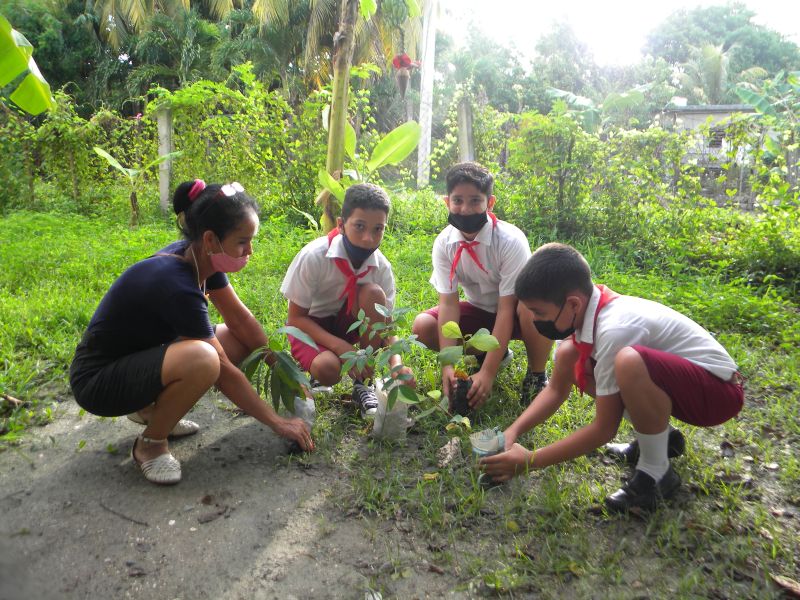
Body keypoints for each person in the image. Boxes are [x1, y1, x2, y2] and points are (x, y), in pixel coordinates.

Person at [69, 179, 313, 485]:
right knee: (205, 359)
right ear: (211, 239)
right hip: (98, 382)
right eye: (242, 241)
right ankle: (151, 444)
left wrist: (287, 372)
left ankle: (151, 411)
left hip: (132, 359)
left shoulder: (200, 258)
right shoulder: (176, 283)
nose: (250, 249)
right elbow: (222, 369)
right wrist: (278, 423)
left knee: (233, 339)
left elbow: (241, 321)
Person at [480, 243, 744, 512]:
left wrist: (530, 460)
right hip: (687, 385)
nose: (535, 321)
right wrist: (512, 432)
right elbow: (556, 390)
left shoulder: (615, 329)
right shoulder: (583, 316)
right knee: (572, 358)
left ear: (573, 304)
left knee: (628, 363)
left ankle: (656, 473)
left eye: (539, 313)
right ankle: (661, 440)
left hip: (718, 394)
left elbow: (604, 429)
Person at [412, 162, 553, 411]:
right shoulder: (444, 243)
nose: (465, 210)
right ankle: (491, 355)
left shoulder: (509, 241)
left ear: (490, 203)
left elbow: (507, 308)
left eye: (475, 200)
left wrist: (487, 374)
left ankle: (537, 375)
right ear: (447, 202)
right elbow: (448, 303)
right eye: (458, 200)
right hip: (481, 312)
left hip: (518, 315)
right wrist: (448, 365)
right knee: (423, 326)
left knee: (533, 309)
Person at [281, 183, 415, 418]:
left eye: (378, 229)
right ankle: (311, 372)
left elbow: (387, 324)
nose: (368, 238)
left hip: (348, 325)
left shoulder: (381, 266)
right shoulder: (314, 256)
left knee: (374, 294)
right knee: (329, 369)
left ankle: (363, 385)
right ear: (341, 224)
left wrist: (396, 363)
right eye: (359, 226)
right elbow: (295, 319)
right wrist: (340, 347)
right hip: (310, 328)